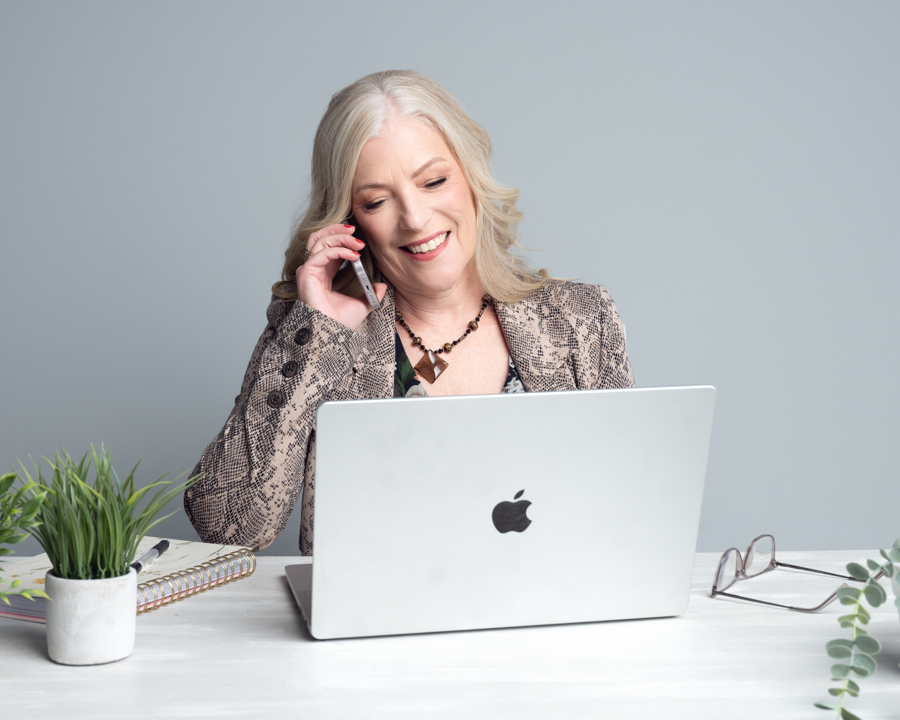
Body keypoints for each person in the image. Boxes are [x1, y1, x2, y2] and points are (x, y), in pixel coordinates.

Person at [185, 70, 634, 553]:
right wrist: (319, 336)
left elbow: (628, 506)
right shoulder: (319, 336)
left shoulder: (581, 319)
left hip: (551, 613)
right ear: (349, 220)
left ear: (471, 177)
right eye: (377, 200)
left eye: (434, 181)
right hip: (376, 624)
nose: (415, 219)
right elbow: (228, 527)